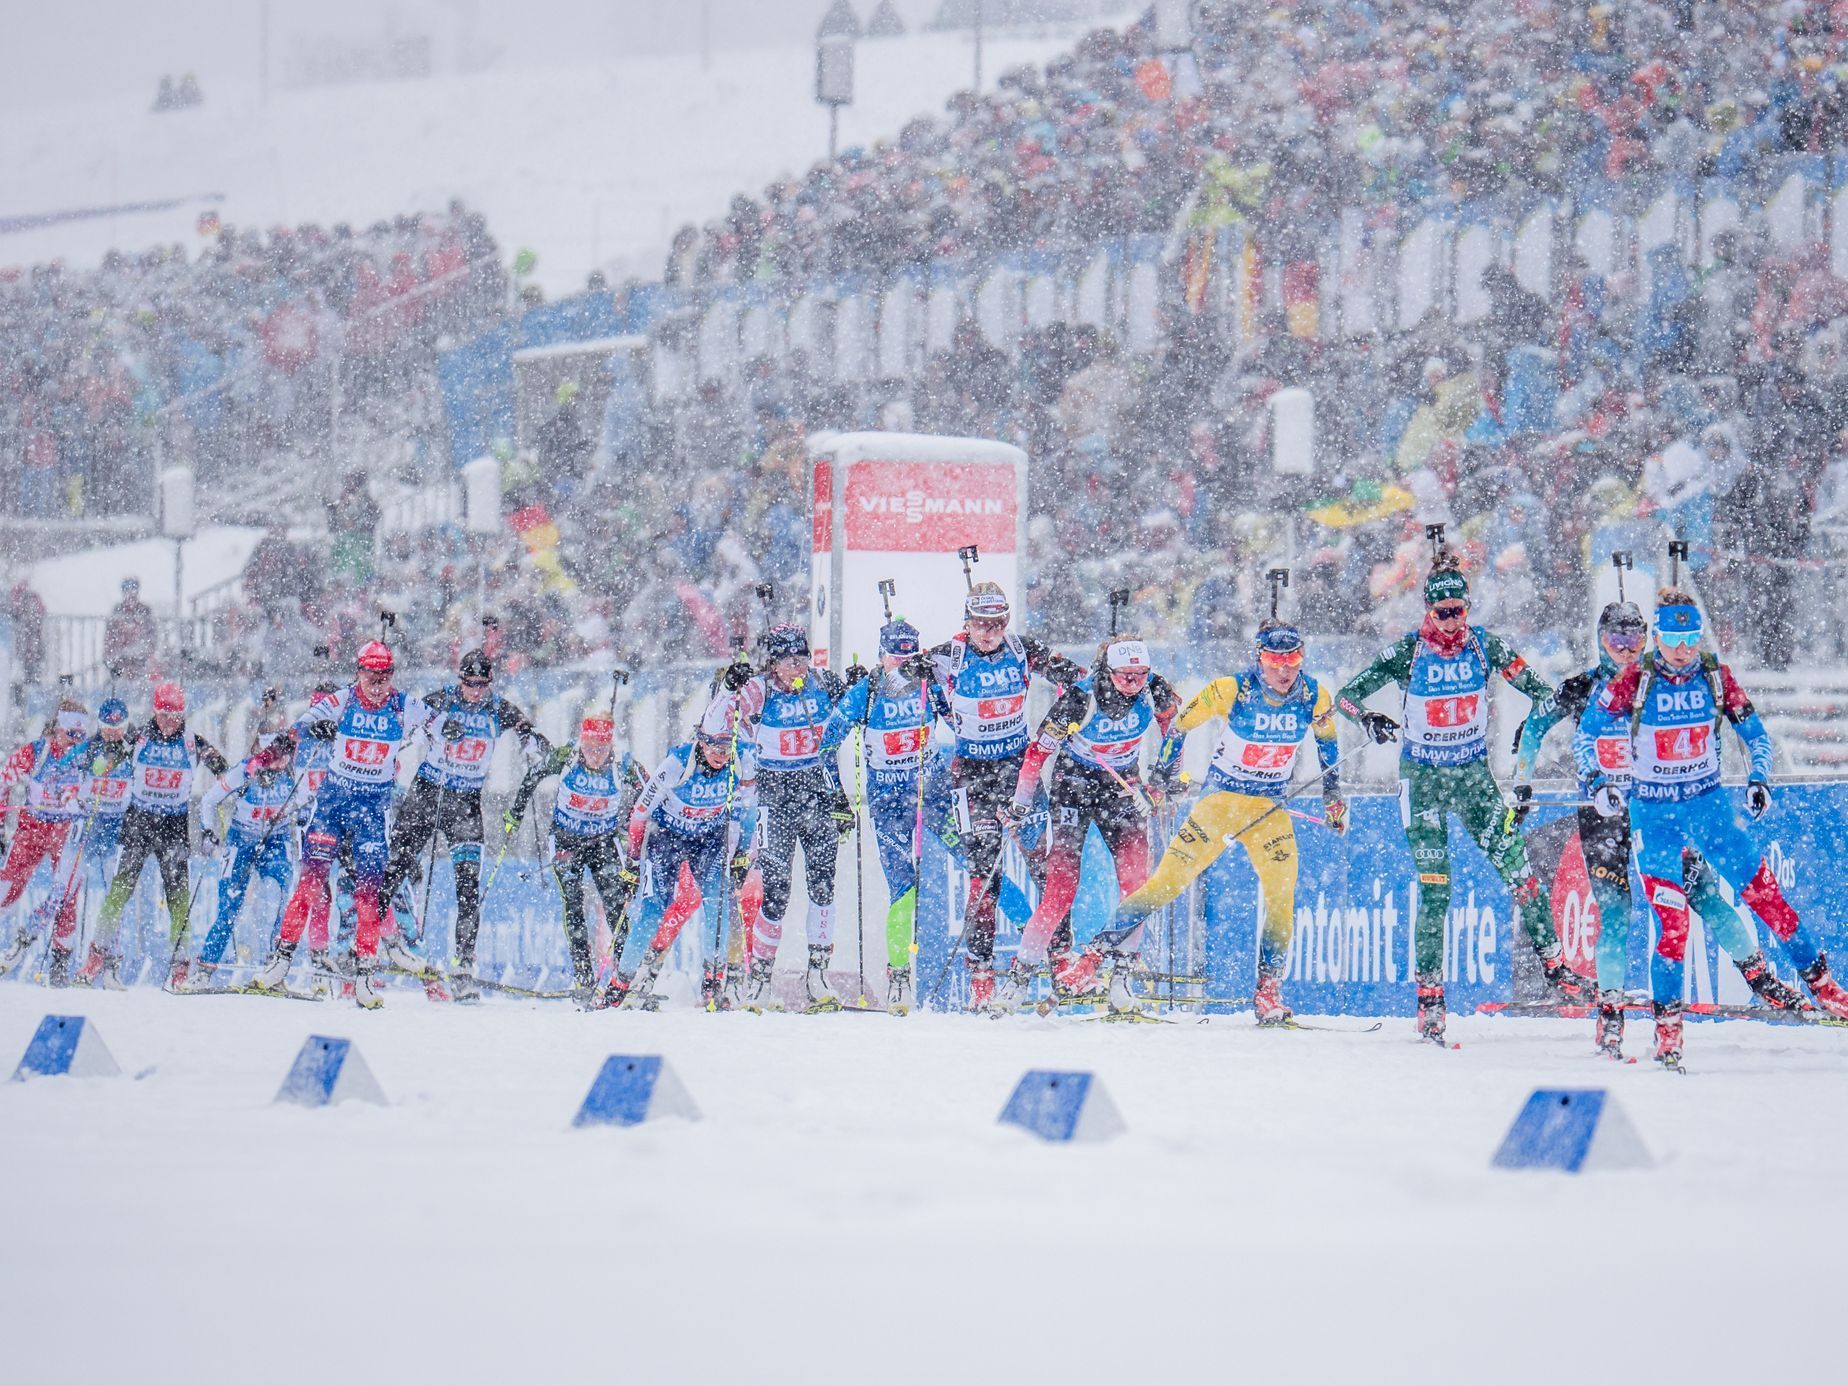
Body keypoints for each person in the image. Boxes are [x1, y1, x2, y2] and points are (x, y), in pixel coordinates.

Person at [1517, 599, 1809, 1059]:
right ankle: (1610, 1014)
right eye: (1616, 639)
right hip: (1606, 816)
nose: (1626, 649)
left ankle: (1760, 979)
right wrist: (1522, 780)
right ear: (1600, 640)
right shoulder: (1586, 687)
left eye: (1634, 639)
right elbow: (1532, 727)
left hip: (1662, 809)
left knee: (1707, 897)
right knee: (1616, 914)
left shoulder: (1654, 681)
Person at [1578, 590, 1848, 1069]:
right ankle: (1668, 1031)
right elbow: (1586, 734)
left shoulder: (1714, 677)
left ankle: (1825, 987)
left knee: (1769, 900)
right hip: (1655, 818)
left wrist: (1759, 776)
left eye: (1690, 636)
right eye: (1672, 637)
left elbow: (1756, 734)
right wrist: (1596, 780)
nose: (1682, 649)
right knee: (1673, 926)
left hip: (1708, 810)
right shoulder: (1633, 680)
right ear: (1655, 636)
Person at [1336, 553, 1579, 1045]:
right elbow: (1346, 695)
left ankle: (1559, 972)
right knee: (1436, 890)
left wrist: (1532, 728)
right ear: (1427, 611)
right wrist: (1369, 719)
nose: (1451, 622)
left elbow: (1543, 693)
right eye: (1442, 613)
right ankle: (1429, 1001)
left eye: (1459, 611)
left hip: (1472, 779)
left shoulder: (1485, 646)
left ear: (1468, 608)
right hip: (1422, 781)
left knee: (1521, 874)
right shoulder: (1407, 652)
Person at [1082, 618, 1345, 1025]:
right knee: (1167, 884)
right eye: (1275, 659)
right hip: (1220, 802)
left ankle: (1268, 992)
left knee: (1282, 895)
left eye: (1293, 659)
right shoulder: (1230, 689)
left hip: (1268, 810)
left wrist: (1334, 800)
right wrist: (1160, 779)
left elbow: (1329, 745)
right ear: (1260, 658)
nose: (1284, 668)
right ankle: (1094, 955)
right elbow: (1180, 725)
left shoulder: (1314, 694)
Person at [905, 581, 1084, 1009]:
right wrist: (902, 669)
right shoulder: (950, 654)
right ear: (967, 621)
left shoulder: (1023, 648)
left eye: (997, 624)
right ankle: (982, 979)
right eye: (981, 624)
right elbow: (902, 677)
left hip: (1020, 769)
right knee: (985, 877)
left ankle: (1061, 960)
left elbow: (1077, 678)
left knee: (1047, 868)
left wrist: (1065, 707)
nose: (989, 632)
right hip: (972, 777)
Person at [995, 635, 1183, 1013]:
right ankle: (1019, 978)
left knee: (1137, 886)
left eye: (1140, 675)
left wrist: (1162, 783)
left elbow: (1175, 733)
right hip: (1075, 785)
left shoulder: (1155, 690)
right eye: (1124, 676)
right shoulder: (1081, 698)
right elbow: (1037, 752)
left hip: (1122, 785)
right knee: (1061, 891)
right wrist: (1020, 801)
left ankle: (1120, 979)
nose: (1133, 684)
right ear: (1106, 671)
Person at [253, 640, 435, 1008]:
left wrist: (448, 734)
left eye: (384, 677)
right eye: (371, 676)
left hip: (371, 810)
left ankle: (366, 974)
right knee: (309, 885)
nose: (378, 684)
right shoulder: (341, 700)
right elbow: (296, 731)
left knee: (368, 894)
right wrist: (269, 755)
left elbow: (442, 724)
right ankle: (281, 962)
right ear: (359, 673)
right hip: (333, 804)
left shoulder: (405, 705)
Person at [378, 649, 546, 991]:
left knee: (468, 887)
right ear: (460, 681)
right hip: (428, 792)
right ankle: (364, 943)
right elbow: (407, 724)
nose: (475, 691)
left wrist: (531, 745)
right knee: (393, 869)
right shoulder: (441, 700)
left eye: (481, 685)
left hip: (466, 803)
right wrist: (431, 732)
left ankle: (463, 966)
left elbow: (526, 727)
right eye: (469, 684)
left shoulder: (497, 707)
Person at [819, 617, 958, 1014]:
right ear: (881, 657)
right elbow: (826, 745)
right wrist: (838, 798)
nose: (902, 667)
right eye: (895, 659)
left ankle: (1020, 957)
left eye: (909, 658)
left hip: (933, 795)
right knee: (904, 886)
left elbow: (961, 724)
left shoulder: (930, 687)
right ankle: (898, 978)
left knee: (979, 862)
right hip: (888, 803)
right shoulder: (865, 693)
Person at [599, 698, 758, 1011]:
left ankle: (713, 983)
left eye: (726, 748)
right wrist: (632, 859)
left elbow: (749, 809)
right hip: (667, 836)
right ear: (700, 741)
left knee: (717, 902)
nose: (720, 755)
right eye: (713, 747)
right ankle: (620, 984)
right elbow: (640, 812)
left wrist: (741, 853)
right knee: (653, 911)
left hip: (708, 838)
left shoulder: (743, 759)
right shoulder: (678, 762)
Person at [723, 624, 848, 1008]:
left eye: (801, 657)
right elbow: (720, 718)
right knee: (776, 894)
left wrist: (864, 684)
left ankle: (817, 975)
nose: (797, 666)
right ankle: (759, 979)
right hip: (774, 798)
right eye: (787, 660)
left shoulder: (824, 682)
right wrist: (729, 685)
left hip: (816, 793)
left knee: (823, 888)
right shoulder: (761, 689)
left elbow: (862, 707)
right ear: (772, 664)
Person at [89, 683, 228, 990]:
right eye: (164, 715)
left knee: (178, 899)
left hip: (173, 826)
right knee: (119, 892)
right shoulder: (137, 737)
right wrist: (96, 768)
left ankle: (180, 966)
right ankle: (97, 954)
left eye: (176, 715)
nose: (169, 722)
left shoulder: (193, 742)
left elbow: (223, 769)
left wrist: (225, 788)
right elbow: (101, 761)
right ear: (154, 711)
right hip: (140, 822)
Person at [506, 713, 647, 1001]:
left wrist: (630, 826)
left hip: (602, 842)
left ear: (611, 745)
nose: (595, 754)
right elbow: (533, 776)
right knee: (573, 904)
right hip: (566, 841)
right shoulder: (566, 756)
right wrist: (515, 813)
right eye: (590, 747)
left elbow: (649, 792)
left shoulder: (624, 765)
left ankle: (625, 977)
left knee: (616, 906)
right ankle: (584, 976)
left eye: (601, 748)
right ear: (582, 741)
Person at [192, 725, 300, 987]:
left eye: (285, 756)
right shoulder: (244, 771)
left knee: (277, 898)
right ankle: (204, 971)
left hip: (276, 840)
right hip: (241, 841)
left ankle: (273, 970)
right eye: (275, 757)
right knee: (229, 907)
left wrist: (304, 827)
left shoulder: (294, 775)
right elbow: (208, 800)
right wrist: (209, 832)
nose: (280, 764)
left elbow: (312, 801)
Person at [0, 701, 95, 985]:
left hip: (66, 832)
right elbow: (4, 782)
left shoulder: (85, 756)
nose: (75, 742)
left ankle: (60, 962)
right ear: (57, 729)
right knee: (7, 887)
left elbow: (99, 785)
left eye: (80, 736)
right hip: (33, 828)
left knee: (66, 897)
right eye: (70, 735)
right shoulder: (36, 751)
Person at [70, 698, 138, 987]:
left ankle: (110, 964)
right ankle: (71, 960)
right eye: (107, 727)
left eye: (118, 727)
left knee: (115, 899)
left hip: (118, 828)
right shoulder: (88, 747)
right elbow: (72, 774)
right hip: (90, 823)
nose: (112, 733)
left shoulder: (134, 747)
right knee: (75, 890)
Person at [102, 578, 157, 682]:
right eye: (127, 590)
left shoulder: (144, 611)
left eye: (133, 590)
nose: (130, 594)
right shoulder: (118, 610)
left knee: (141, 682)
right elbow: (109, 637)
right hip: (121, 659)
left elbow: (152, 637)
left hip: (140, 659)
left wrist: (142, 653)